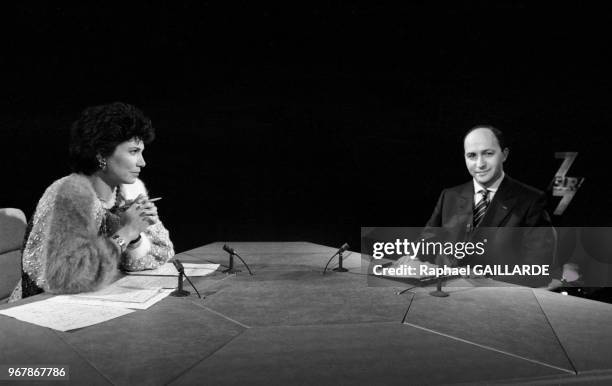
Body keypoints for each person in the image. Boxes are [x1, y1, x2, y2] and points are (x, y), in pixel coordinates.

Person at [9, 102, 174, 301]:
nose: (142, 162)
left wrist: (136, 238)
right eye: (133, 151)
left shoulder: (129, 190)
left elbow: (162, 253)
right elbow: (64, 278)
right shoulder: (69, 196)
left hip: (100, 300)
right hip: (40, 311)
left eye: (142, 152)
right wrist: (127, 232)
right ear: (102, 154)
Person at [397, 125, 555, 286]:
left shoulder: (531, 200)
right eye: (472, 155)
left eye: (488, 153)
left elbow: (540, 270)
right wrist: (413, 257)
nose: (480, 164)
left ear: (504, 155)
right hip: (441, 293)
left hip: (495, 299)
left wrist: (486, 277)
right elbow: (428, 238)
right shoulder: (449, 195)